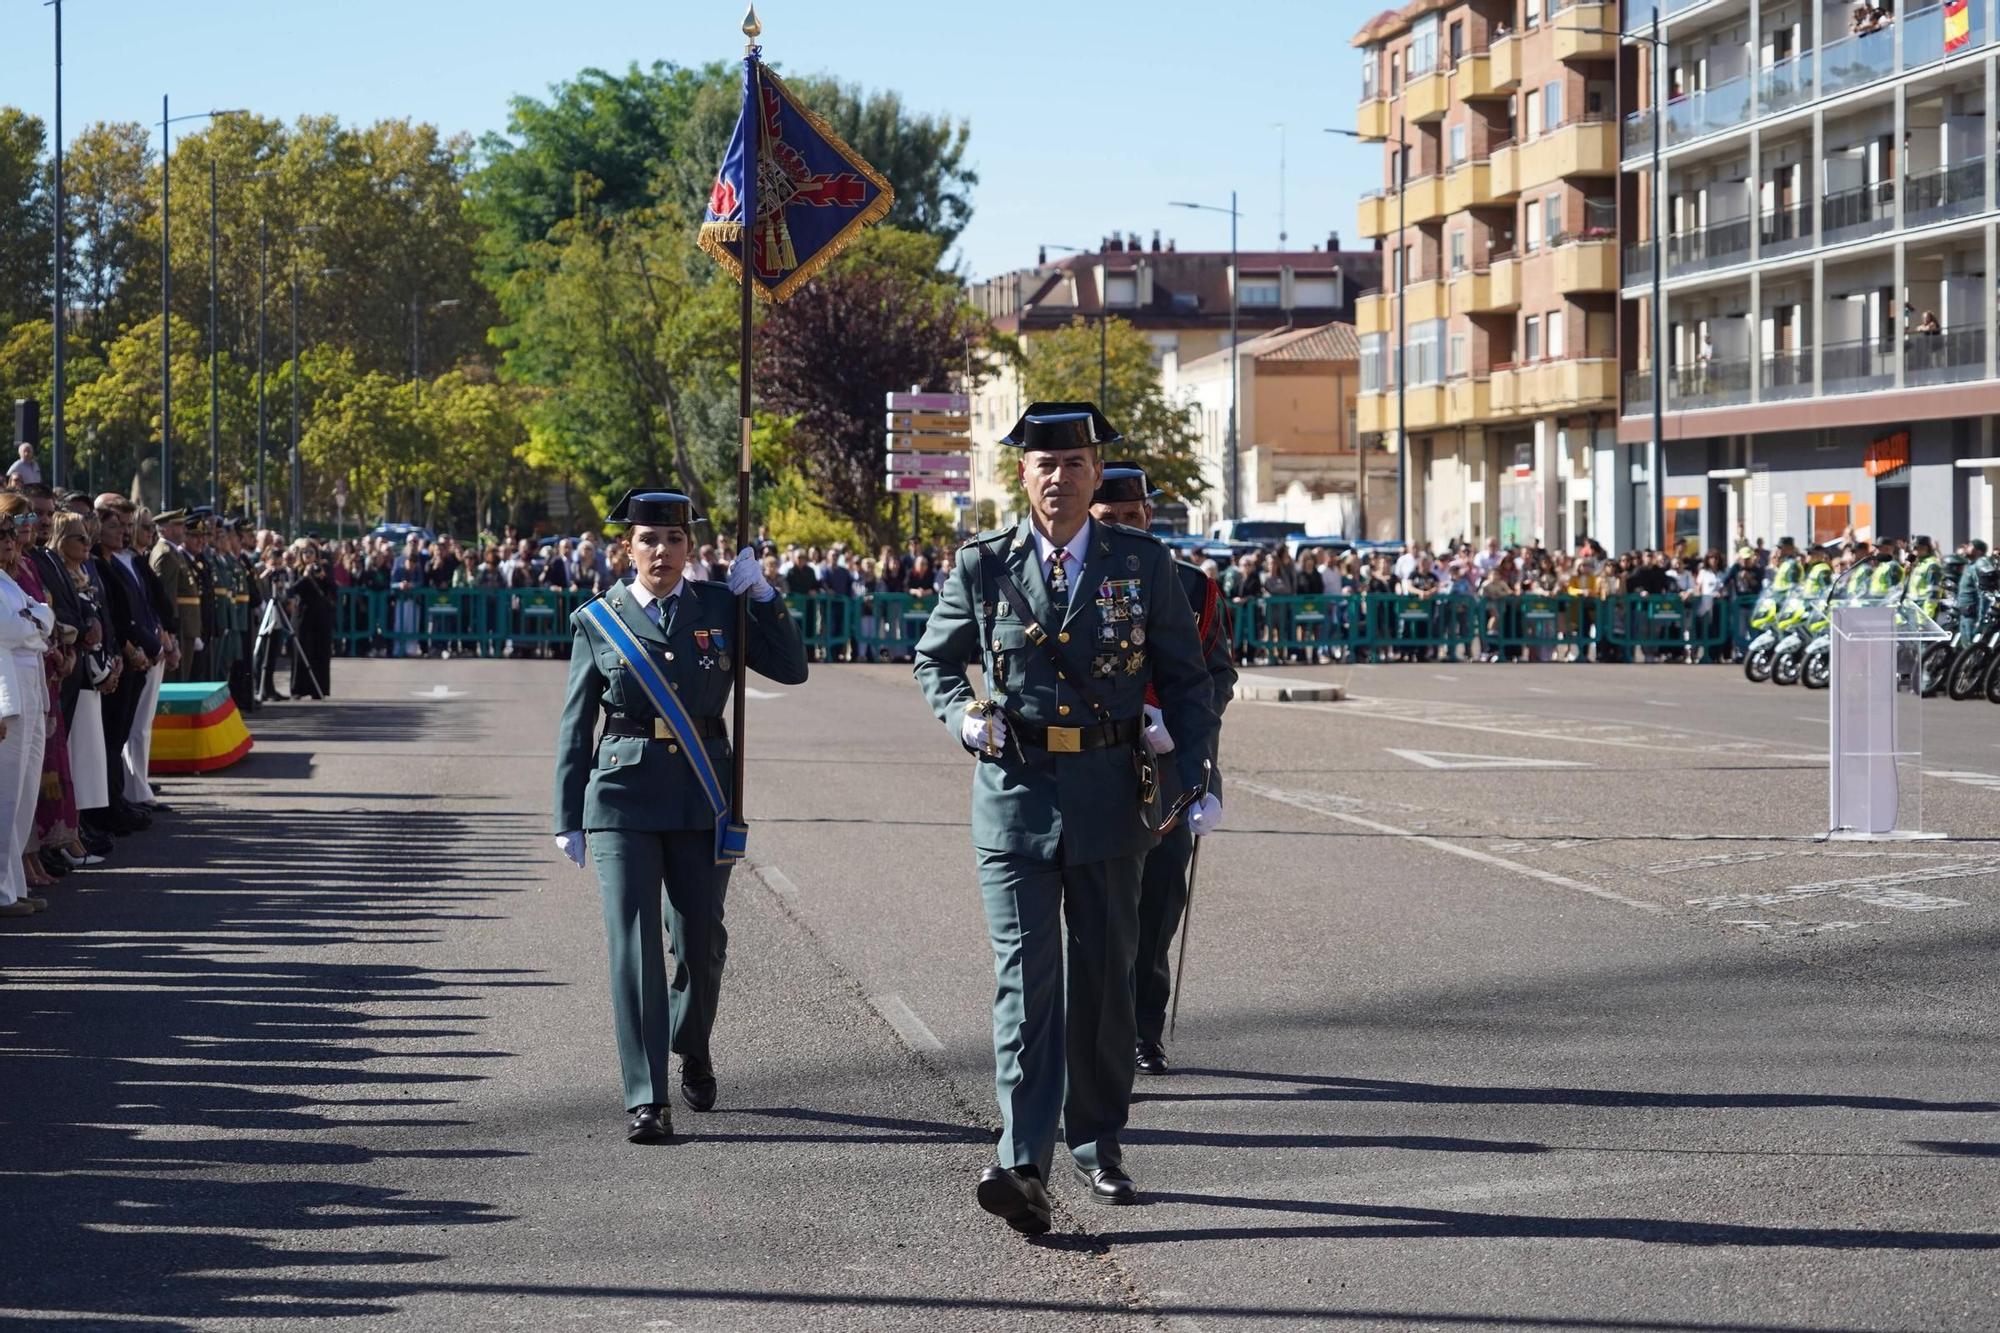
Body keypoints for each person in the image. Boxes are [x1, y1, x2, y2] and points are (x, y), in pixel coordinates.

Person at [914, 402, 1219, 1233]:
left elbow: (1190, 681)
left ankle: (1096, 1138)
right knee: (1027, 983)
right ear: (1022, 474)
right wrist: (964, 717)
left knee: (1105, 983)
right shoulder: (984, 564)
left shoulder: (1143, 563)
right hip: (1014, 798)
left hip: (1112, 798)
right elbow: (934, 659)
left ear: (1095, 472)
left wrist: (1186, 772)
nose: (1060, 476)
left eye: (1076, 461)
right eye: (1044, 463)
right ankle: (1021, 1159)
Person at [552, 489, 806, 1145]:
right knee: (632, 948)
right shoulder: (597, 619)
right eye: (648, 540)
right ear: (626, 548)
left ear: (690, 548)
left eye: (673, 540)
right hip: (621, 797)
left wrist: (766, 598)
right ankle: (646, 1096)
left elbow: (792, 669)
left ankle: (693, 1044)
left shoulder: (719, 607)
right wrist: (568, 811)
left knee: (701, 944)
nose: (660, 551)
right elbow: (575, 721)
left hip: (700, 795)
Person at [1087, 464, 1235, 1078]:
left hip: (1171, 763)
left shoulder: (1192, 587)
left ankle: (1146, 1028)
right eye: (1111, 518)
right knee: (1102, 909)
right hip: (1096, 760)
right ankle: (1101, 1034)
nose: (1126, 526)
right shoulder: (1070, 583)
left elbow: (1217, 674)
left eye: (1134, 515)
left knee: (1159, 903)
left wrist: (1181, 727)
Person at [0, 501, 53, 915]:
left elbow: (41, 621)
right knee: (6, 792)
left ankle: (13, 883)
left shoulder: (9, 581)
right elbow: (16, 627)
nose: (8, 545)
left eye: (8, 537)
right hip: (8, 692)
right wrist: (35, 620)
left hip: (29, 684)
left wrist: (35, 621)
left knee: (23, 792)